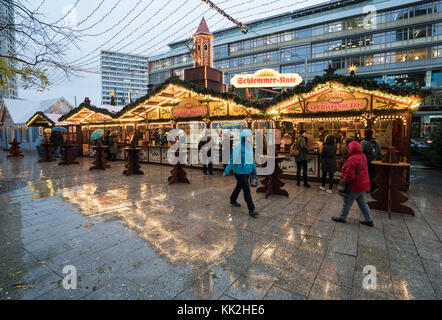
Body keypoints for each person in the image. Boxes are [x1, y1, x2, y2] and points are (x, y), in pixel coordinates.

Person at [332, 141, 374, 227]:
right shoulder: (363, 156)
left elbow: (350, 175)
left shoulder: (352, 159)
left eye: (349, 148)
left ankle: (342, 217)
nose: (348, 150)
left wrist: (344, 179)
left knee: (347, 202)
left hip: (355, 185)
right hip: (362, 184)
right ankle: (369, 219)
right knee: (362, 202)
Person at [224, 130, 258, 218]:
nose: (249, 139)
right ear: (243, 138)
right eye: (247, 137)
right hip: (239, 172)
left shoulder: (249, 147)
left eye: (250, 137)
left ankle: (232, 199)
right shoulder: (238, 148)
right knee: (246, 190)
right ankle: (251, 209)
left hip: (247, 172)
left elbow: (251, 159)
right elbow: (232, 160)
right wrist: (226, 171)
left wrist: (254, 169)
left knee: (239, 186)